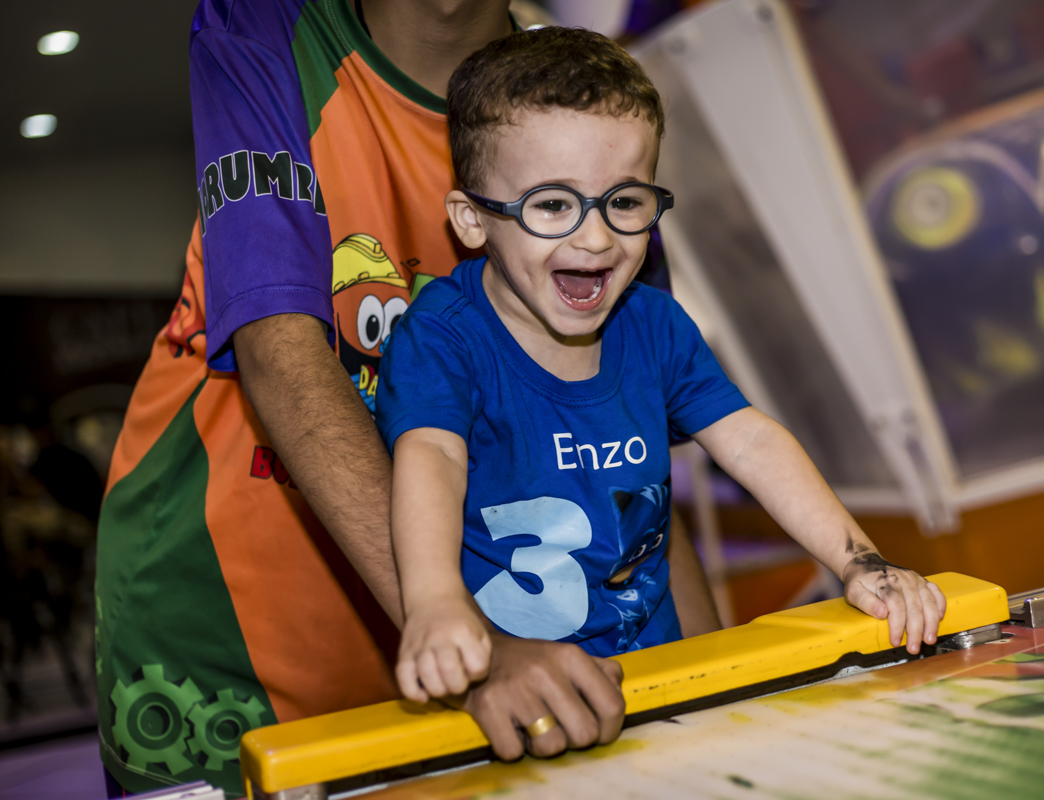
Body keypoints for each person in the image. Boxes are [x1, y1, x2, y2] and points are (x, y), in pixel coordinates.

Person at [95, 1, 720, 794]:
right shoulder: (264, 26)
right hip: (233, 630)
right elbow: (277, 346)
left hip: (493, 637)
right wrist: (475, 642)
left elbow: (634, 448)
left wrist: (715, 688)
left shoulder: (583, 92)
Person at [374, 28, 948, 711]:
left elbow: (753, 440)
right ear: (472, 221)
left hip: (656, 687)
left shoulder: (655, 325)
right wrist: (436, 604)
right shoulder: (443, 337)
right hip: (524, 701)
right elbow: (432, 455)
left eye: (624, 202)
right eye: (552, 204)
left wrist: (860, 562)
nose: (595, 237)